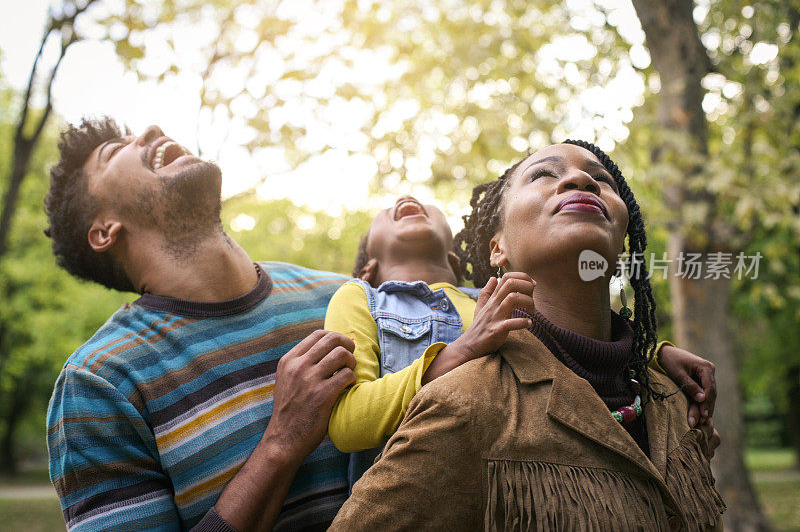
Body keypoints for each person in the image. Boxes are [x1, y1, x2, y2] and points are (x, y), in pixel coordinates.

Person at [330, 141, 725, 530]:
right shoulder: (464, 404)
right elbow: (349, 421)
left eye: (602, 179)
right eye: (544, 174)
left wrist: (655, 355)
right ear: (497, 248)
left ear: (623, 241)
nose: (580, 179)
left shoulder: (673, 398)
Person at [44, 118, 357, 532]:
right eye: (113, 151)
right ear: (104, 231)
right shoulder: (99, 385)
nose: (151, 129)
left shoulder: (343, 297)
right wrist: (281, 444)